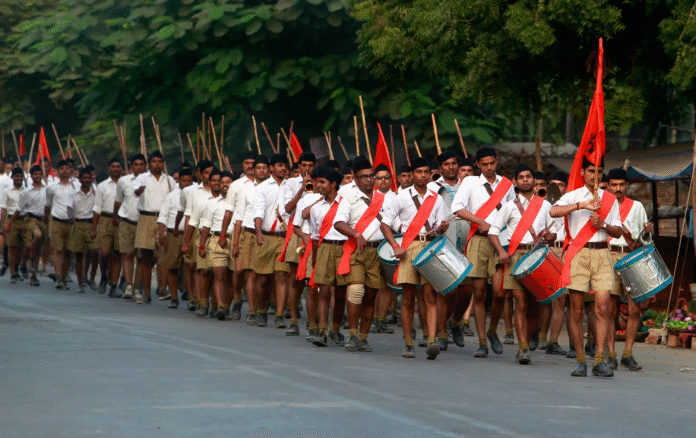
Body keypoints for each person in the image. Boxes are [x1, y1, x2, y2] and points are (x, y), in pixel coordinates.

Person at [550, 157, 622, 378]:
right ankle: (580, 359)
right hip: (578, 253)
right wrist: (581, 205)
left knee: (602, 307)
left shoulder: (609, 199)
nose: (595, 175)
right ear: (583, 172)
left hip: (602, 253)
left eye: (599, 171)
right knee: (576, 308)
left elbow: (618, 231)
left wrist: (603, 225)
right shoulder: (573, 195)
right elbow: (553, 211)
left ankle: (600, 359)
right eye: (591, 171)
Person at [380, 157, 448, 360]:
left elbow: (439, 226)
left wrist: (442, 228)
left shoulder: (437, 198)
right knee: (408, 297)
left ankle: (432, 340)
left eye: (426, 172)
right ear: (412, 175)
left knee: (430, 296)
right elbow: (385, 224)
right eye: (419, 172)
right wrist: (395, 246)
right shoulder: (401, 197)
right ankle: (408, 342)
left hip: (429, 246)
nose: (423, 175)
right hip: (408, 246)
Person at [451, 147, 516, 357]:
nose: (489, 167)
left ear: (497, 161)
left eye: (492, 163)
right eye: (484, 164)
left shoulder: (507, 184)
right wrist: (480, 221)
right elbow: (457, 208)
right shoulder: (470, 182)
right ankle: (481, 342)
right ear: (478, 164)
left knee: (499, 293)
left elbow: (512, 212)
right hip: (478, 240)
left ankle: (492, 330)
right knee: (478, 293)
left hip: (501, 241)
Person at [488, 164, 555, 364]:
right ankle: (523, 347)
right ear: (515, 182)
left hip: (537, 257)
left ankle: (531, 333)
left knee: (534, 306)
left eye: (528, 176)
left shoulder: (545, 205)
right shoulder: (509, 206)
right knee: (520, 302)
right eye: (521, 177)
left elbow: (555, 231)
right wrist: (501, 252)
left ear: (534, 181)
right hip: (516, 256)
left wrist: (551, 236)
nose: (525, 179)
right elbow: (493, 231)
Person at [334, 159, 387, 352]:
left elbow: (394, 223)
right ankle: (353, 335)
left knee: (371, 296)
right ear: (355, 179)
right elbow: (339, 223)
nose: (369, 180)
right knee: (356, 290)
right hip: (356, 250)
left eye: (371, 175)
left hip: (377, 251)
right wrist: (356, 234)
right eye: (364, 176)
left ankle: (363, 337)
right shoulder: (347, 197)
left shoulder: (384, 198)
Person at [605, 167, 653, 371]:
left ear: (627, 185)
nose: (618, 188)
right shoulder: (602, 206)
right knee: (610, 310)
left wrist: (647, 232)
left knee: (634, 309)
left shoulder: (637, 206)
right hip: (608, 255)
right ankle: (611, 354)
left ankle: (628, 353)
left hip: (631, 257)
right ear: (608, 186)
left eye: (621, 184)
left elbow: (644, 239)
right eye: (614, 184)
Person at [307, 165, 347, 346]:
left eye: (322, 182)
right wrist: (316, 258)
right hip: (324, 248)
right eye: (317, 182)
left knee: (340, 293)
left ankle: (335, 330)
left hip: (343, 248)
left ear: (333, 184)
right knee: (323, 292)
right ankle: (322, 331)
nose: (318, 186)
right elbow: (315, 236)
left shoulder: (346, 203)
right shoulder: (316, 208)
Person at [252, 153, 290, 328]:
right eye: (279, 165)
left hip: (284, 238)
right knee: (263, 279)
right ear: (272, 168)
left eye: (285, 165)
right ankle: (261, 310)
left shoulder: (291, 186)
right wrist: (258, 232)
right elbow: (258, 212)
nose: (283, 168)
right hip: (267, 236)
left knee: (282, 277)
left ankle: (280, 314)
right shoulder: (262, 187)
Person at [132, 150, 175, 304]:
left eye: (160, 161)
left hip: (164, 219)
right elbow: (135, 191)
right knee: (146, 258)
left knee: (163, 255)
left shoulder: (169, 180)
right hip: (146, 217)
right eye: (154, 161)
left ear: (163, 163)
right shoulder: (142, 178)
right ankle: (146, 292)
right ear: (149, 163)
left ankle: (162, 288)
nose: (157, 164)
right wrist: (139, 190)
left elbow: (174, 198)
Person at [281, 152, 317, 335]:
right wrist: (302, 189)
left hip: (315, 235)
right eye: (304, 165)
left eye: (310, 165)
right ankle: (293, 319)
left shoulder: (321, 182)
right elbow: (287, 209)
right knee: (295, 279)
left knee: (313, 281)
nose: (307, 169)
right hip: (297, 233)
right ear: (299, 166)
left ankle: (312, 321)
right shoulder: (290, 183)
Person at [232, 155, 269, 324]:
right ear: (254, 170)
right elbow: (238, 218)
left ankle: (263, 308)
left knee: (264, 276)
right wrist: (235, 243)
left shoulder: (274, 189)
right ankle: (252, 311)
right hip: (248, 233)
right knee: (251, 274)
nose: (261, 170)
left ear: (269, 170)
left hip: (268, 235)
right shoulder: (245, 190)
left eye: (264, 167)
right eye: (258, 168)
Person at [180, 160, 215, 315]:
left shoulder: (220, 191)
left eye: (211, 172)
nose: (209, 176)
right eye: (206, 172)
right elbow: (188, 216)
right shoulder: (193, 192)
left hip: (215, 232)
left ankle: (214, 301)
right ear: (199, 174)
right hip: (197, 231)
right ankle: (197, 299)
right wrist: (186, 240)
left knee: (214, 269)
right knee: (197, 267)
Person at [199, 169, 234, 320]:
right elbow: (206, 226)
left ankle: (226, 306)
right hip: (217, 240)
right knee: (219, 276)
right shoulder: (212, 203)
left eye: (228, 182)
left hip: (236, 240)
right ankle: (220, 306)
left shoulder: (239, 203)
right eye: (222, 182)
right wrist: (202, 246)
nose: (225, 184)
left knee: (233, 278)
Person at [157, 167, 193, 308]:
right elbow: (163, 216)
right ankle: (173, 297)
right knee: (172, 267)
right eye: (183, 181)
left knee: (190, 266)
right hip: (174, 234)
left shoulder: (196, 193)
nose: (186, 183)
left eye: (189, 180)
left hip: (191, 234)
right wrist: (161, 233)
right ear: (179, 182)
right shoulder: (171, 196)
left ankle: (191, 297)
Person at [226, 152, 256, 319]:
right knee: (238, 271)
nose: (250, 166)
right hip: (240, 230)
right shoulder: (236, 186)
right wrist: (225, 235)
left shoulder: (265, 185)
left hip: (258, 232)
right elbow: (229, 210)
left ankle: (254, 308)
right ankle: (237, 298)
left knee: (253, 273)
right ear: (242, 165)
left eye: (253, 163)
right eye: (247, 163)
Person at [114, 154, 146, 299]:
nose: (139, 167)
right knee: (127, 254)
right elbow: (118, 201)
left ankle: (137, 287)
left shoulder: (149, 181)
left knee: (141, 257)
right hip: (126, 221)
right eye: (136, 164)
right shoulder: (123, 181)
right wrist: (116, 218)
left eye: (141, 164)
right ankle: (128, 286)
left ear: (145, 166)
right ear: (131, 166)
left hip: (143, 223)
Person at [46, 160, 78, 290]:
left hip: (72, 223)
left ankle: (64, 277)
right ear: (57, 172)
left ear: (70, 170)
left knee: (69, 251)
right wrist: (46, 219)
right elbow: (48, 204)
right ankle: (58, 277)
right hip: (57, 221)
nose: (65, 170)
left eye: (67, 168)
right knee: (58, 249)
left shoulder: (76, 185)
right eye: (62, 168)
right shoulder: (52, 187)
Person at [92, 158, 122, 296]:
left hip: (121, 221)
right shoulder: (102, 186)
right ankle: (103, 276)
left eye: (118, 166)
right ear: (109, 168)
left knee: (117, 254)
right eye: (113, 166)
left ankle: (114, 285)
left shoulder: (125, 184)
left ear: (121, 169)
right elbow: (97, 207)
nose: (115, 169)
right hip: (105, 219)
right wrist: (94, 227)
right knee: (104, 252)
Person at [13, 165, 46, 286]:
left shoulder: (47, 190)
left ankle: (33, 275)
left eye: (40, 173)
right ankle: (23, 263)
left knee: (37, 249)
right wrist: (10, 222)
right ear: (31, 176)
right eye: (35, 174)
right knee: (37, 235)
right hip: (30, 219)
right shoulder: (26, 192)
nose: (38, 176)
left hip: (42, 220)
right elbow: (19, 209)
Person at [67, 168, 97, 294]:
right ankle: (80, 282)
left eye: (88, 178)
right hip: (78, 223)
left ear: (91, 179)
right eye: (84, 178)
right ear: (80, 179)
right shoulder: (74, 192)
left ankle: (91, 277)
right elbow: (69, 208)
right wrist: (71, 218)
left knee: (95, 251)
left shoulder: (95, 192)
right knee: (79, 255)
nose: (86, 180)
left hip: (91, 224)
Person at [2, 168, 27, 283]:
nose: (19, 178)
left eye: (20, 176)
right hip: (11, 220)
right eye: (16, 176)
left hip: (24, 220)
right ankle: (13, 273)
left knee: (22, 247)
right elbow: (3, 209)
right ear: (12, 177)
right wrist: (2, 225)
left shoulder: (26, 191)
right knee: (12, 247)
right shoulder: (7, 191)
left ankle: (18, 267)